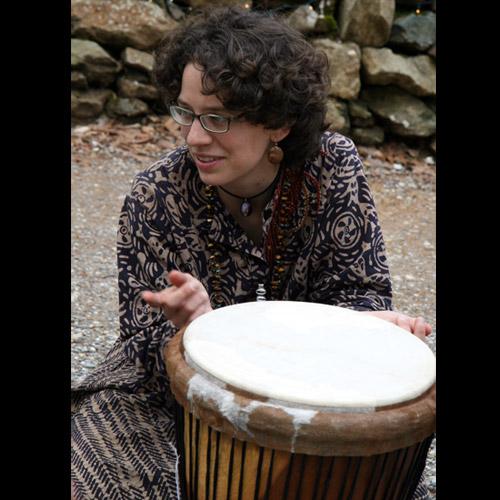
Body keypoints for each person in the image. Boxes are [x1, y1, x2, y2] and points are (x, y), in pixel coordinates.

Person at [71, 6, 432, 499]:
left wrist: (375, 327)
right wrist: (195, 329)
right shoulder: (153, 195)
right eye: (186, 113)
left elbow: (359, 297)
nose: (195, 137)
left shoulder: (332, 168)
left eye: (218, 118)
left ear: (278, 124)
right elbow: (145, 350)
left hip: (310, 388)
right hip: (167, 397)